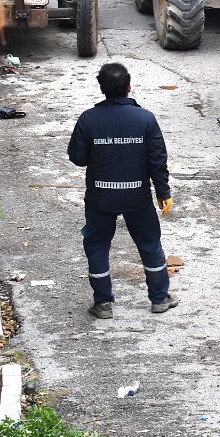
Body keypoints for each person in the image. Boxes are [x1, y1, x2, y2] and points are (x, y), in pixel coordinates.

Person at [67, 62, 177, 317]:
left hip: (100, 197)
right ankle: (159, 298)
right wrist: (163, 193)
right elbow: (157, 160)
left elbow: (78, 157)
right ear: (129, 87)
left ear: (102, 89)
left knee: (97, 246)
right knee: (149, 243)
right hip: (137, 197)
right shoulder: (145, 119)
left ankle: (103, 303)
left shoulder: (88, 119)